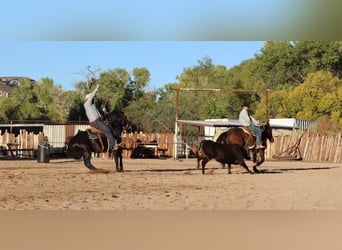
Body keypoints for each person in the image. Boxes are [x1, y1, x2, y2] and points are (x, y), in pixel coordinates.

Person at [84, 85, 116, 152]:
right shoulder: (86, 104)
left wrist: (103, 111)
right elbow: (92, 96)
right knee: (108, 130)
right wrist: (96, 88)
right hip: (97, 122)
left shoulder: (92, 106)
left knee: (109, 128)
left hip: (98, 121)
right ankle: (113, 146)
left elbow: (98, 112)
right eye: (92, 98)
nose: (93, 98)